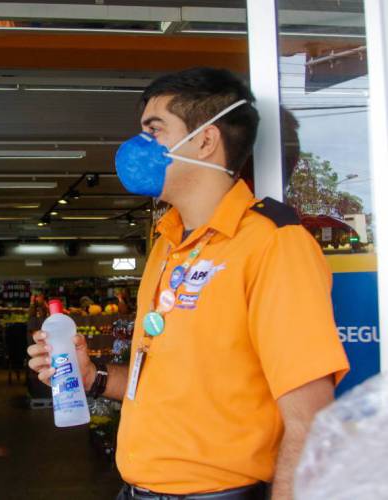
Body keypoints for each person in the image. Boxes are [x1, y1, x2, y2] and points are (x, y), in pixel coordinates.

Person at [27, 67, 349, 500]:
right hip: (138, 489)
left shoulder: (272, 244)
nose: (138, 146)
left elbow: (310, 419)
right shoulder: (168, 243)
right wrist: (92, 375)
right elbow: (159, 383)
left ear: (205, 140)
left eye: (154, 130)